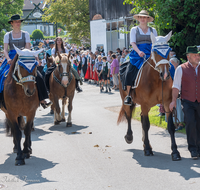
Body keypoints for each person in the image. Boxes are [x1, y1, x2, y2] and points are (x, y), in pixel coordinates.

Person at [0, 14, 51, 109]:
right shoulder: (7, 35)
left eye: (19, 21)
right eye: (16, 21)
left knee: (38, 75)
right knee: (1, 74)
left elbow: (28, 48)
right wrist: (7, 59)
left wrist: (35, 58)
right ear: (11, 23)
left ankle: (42, 99)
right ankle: (2, 100)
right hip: (11, 57)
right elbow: (5, 50)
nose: (18, 23)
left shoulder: (25, 34)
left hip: (25, 57)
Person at [169, 46, 200, 159]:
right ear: (188, 57)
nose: (198, 57)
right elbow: (176, 86)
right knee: (191, 123)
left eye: (198, 55)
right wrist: (173, 101)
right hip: (187, 101)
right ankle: (193, 149)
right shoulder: (181, 69)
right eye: (195, 55)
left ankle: (199, 147)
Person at [123, 10, 158, 105]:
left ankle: (166, 91)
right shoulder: (134, 29)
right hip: (138, 53)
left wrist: (152, 53)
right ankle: (129, 95)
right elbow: (133, 43)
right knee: (130, 71)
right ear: (138, 19)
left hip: (151, 53)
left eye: (144, 17)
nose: (142, 19)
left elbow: (156, 43)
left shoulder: (153, 30)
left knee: (163, 67)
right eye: (141, 17)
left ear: (147, 19)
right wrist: (139, 52)